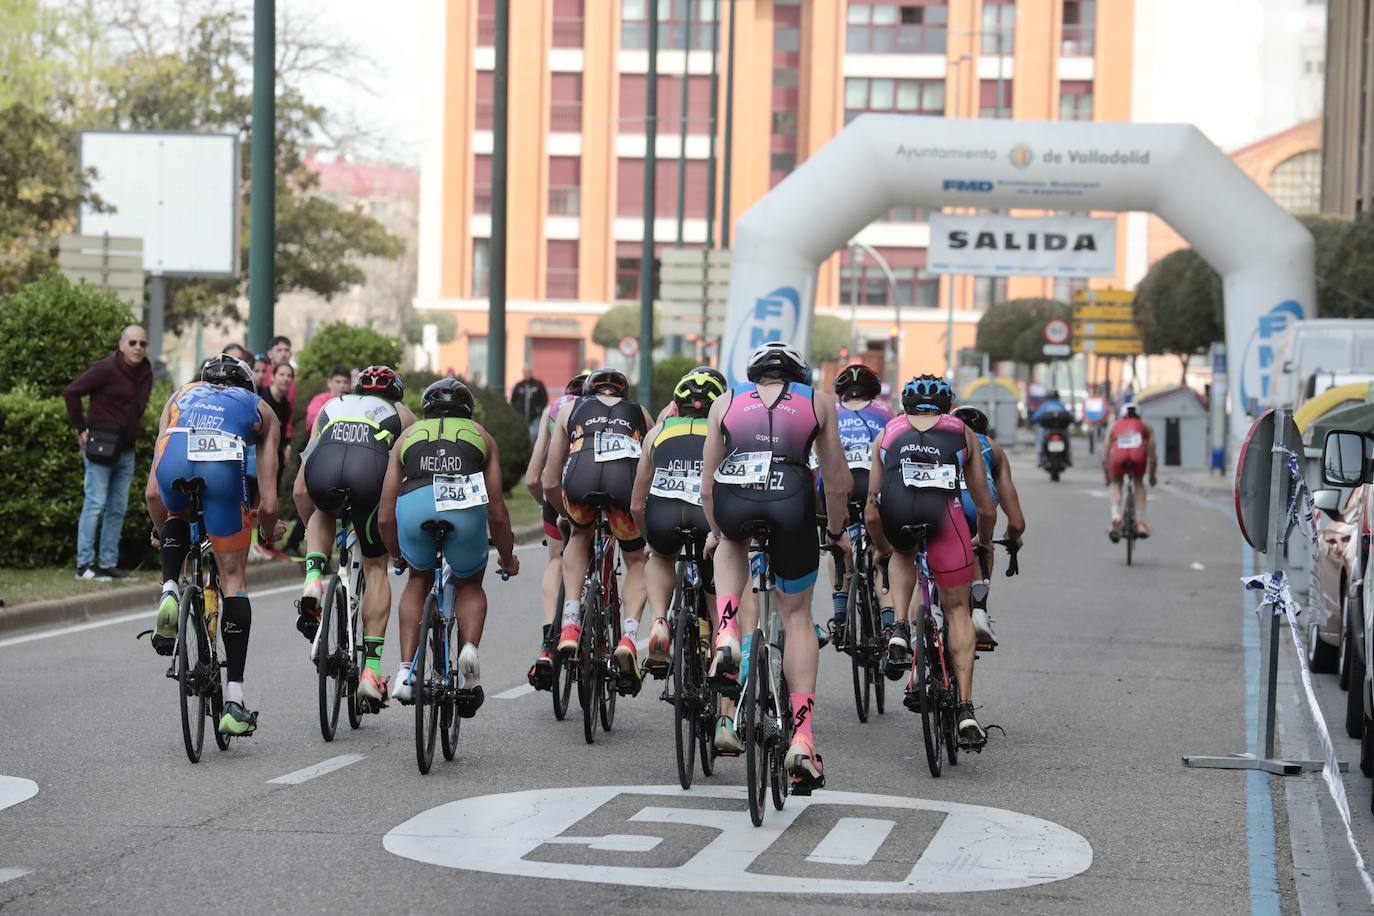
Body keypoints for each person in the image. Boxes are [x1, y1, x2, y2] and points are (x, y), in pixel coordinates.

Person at [701, 341, 852, 792]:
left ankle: (727, 631)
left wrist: (715, 528)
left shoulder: (724, 402)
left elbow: (708, 487)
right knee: (797, 615)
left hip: (735, 495)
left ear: (752, 375)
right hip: (792, 498)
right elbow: (836, 479)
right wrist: (838, 530)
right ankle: (803, 739)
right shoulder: (817, 401)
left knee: (730, 539)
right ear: (797, 374)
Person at [145, 355, 280, 736]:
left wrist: (164, 536)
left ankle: (170, 589)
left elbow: (153, 492)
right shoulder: (261, 408)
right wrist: (268, 533)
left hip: (176, 460)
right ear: (246, 385)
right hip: (221, 469)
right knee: (233, 578)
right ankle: (234, 701)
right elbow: (268, 504)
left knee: (175, 514)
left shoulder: (179, 396)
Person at [867, 375, 996, 748]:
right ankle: (966, 709)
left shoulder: (888, 432)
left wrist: (880, 547)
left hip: (896, 510)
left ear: (905, 406)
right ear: (947, 406)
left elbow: (873, 512)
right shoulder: (961, 431)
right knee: (957, 611)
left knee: (903, 553)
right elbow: (985, 506)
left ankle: (900, 628)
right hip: (944, 514)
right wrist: (983, 544)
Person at [380, 378, 519, 713]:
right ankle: (468, 648)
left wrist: (397, 554)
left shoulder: (407, 436)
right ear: (467, 410)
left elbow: (385, 514)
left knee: (418, 580)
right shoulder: (482, 435)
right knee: (469, 582)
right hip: (464, 507)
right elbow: (497, 511)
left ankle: (404, 673)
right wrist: (507, 557)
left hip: (414, 505)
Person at [293, 366, 417, 706]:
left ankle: (314, 579)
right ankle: (371, 671)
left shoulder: (333, 405)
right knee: (376, 568)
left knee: (322, 509)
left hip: (325, 472)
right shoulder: (401, 413)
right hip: (368, 477)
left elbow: (302, 490)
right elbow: (411, 478)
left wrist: (317, 531)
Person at [543, 367, 654, 691]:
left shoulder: (570, 409)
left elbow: (549, 480)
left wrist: (567, 515)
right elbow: (651, 467)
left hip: (581, 479)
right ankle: (630, 637)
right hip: (624, 485)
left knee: (579, 536)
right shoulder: (639, 412)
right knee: (635, 562)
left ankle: (570, 623)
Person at [630, 367, 726, 689]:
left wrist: (649, 541)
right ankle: (721, 651)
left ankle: (659, 621)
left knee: (660, 557)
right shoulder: (724, 435)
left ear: (675, 404)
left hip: (662, 517)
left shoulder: (657, 432)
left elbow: (635, 504)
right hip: (706, 518)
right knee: (718, 603)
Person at [63, 325, 155, 580]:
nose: (138, 348)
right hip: (100, 448)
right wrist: (81, 429)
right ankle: (84, 565)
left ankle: (108, 562)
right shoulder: (106, 368)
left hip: (126, 450)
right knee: (94, 504)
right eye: (133, 342)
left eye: (142, 344)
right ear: (121, 344)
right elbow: (71, 392)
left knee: (118, 508)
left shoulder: (146, 372)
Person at [819, 363, 893, 645]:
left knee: (837, 541)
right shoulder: (885, 412)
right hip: (875, 483)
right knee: (881, 550)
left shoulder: (833, 412)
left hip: (839, 484)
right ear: (873, 392)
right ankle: (888, 621)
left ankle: (839, 618)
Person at [523, 371, 589, 689]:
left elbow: (534, 478)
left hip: (560, 489)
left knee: (556, 561)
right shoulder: (615, 409)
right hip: (601, 492)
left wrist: (548, 506)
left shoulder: (556, 409)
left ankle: (549, 641)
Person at [952, 405, 1027, 648]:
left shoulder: (938, 438)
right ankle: (980, 611)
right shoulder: (992, 448)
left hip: (942, 504)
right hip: (976, 507)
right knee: (983, 542)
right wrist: (1012, 537)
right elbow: (1016, 521)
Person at [1103, 401, 1157, 540]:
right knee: (1138, 483)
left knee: (1116, 483)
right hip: (1138, 458)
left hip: (1118, 457)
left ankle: (1115, 515)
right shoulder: (1145, 427)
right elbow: (1152, 455)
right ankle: (1140, 523)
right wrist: (1152, 476)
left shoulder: (1114, 426)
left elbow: (1105, 454)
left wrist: (1107, 476)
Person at [259, 362, 295, 467]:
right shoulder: (261, 397)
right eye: (282, 374)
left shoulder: (286, 406)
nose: (286, 378)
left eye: (289, 376)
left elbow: (283, 431)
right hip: (257, 452)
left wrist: (287, 447)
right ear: (273, 377)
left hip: (276, 454)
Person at [1029, 389, 1073, 463]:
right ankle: (1068, 455)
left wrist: (1031, 421)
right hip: (1061, 430)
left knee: (1040, 437)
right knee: (1067, 437)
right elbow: (1069, 417)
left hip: (1047, 430)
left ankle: (1040, 454)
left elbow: (1035, 417)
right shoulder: (1061, 405)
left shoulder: (1045, 405)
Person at [306, 365, 352, 434]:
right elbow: (312, 421)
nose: (342, 385)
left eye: (346, 382)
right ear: (329, 383)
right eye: (338, 382)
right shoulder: (319, 400)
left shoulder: (353, 403)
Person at [511, 366, 550, 443]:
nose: (526, 374)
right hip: (521, 416)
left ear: (531, 373)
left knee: (535, 434)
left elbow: (544, 398)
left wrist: (539, 409)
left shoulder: (538, 384)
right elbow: (513, 400)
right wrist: (516, 411)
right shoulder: (519, 386)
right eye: (525, 372)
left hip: (535, 416)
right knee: (521, 435)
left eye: (528, 372)